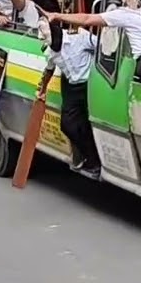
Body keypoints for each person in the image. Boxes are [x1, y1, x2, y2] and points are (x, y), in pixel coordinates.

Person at [36, 17, 101, 174]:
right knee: (68, 125)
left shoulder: (80, 37)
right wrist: (42, 89)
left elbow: (101, 47)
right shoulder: (50, 51)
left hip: (89, 85)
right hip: (72, 87)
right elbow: (49, 70)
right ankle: (90, 156)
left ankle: (95, 161)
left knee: (92, 122)